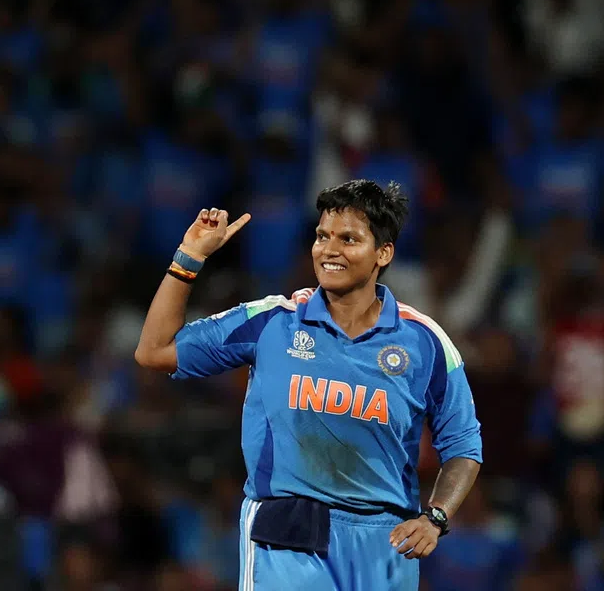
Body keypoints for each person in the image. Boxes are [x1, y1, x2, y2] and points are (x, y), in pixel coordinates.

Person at [135, 179, 483, 590]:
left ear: (383, 253)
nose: (329, 249)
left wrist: (436, 516)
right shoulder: (274, 321)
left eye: (348, 239)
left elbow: (463, 444)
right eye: (322, 236)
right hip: (288, 531)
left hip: (386, 541)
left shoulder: (425, 342)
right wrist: (189, 257)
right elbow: (155, 351)